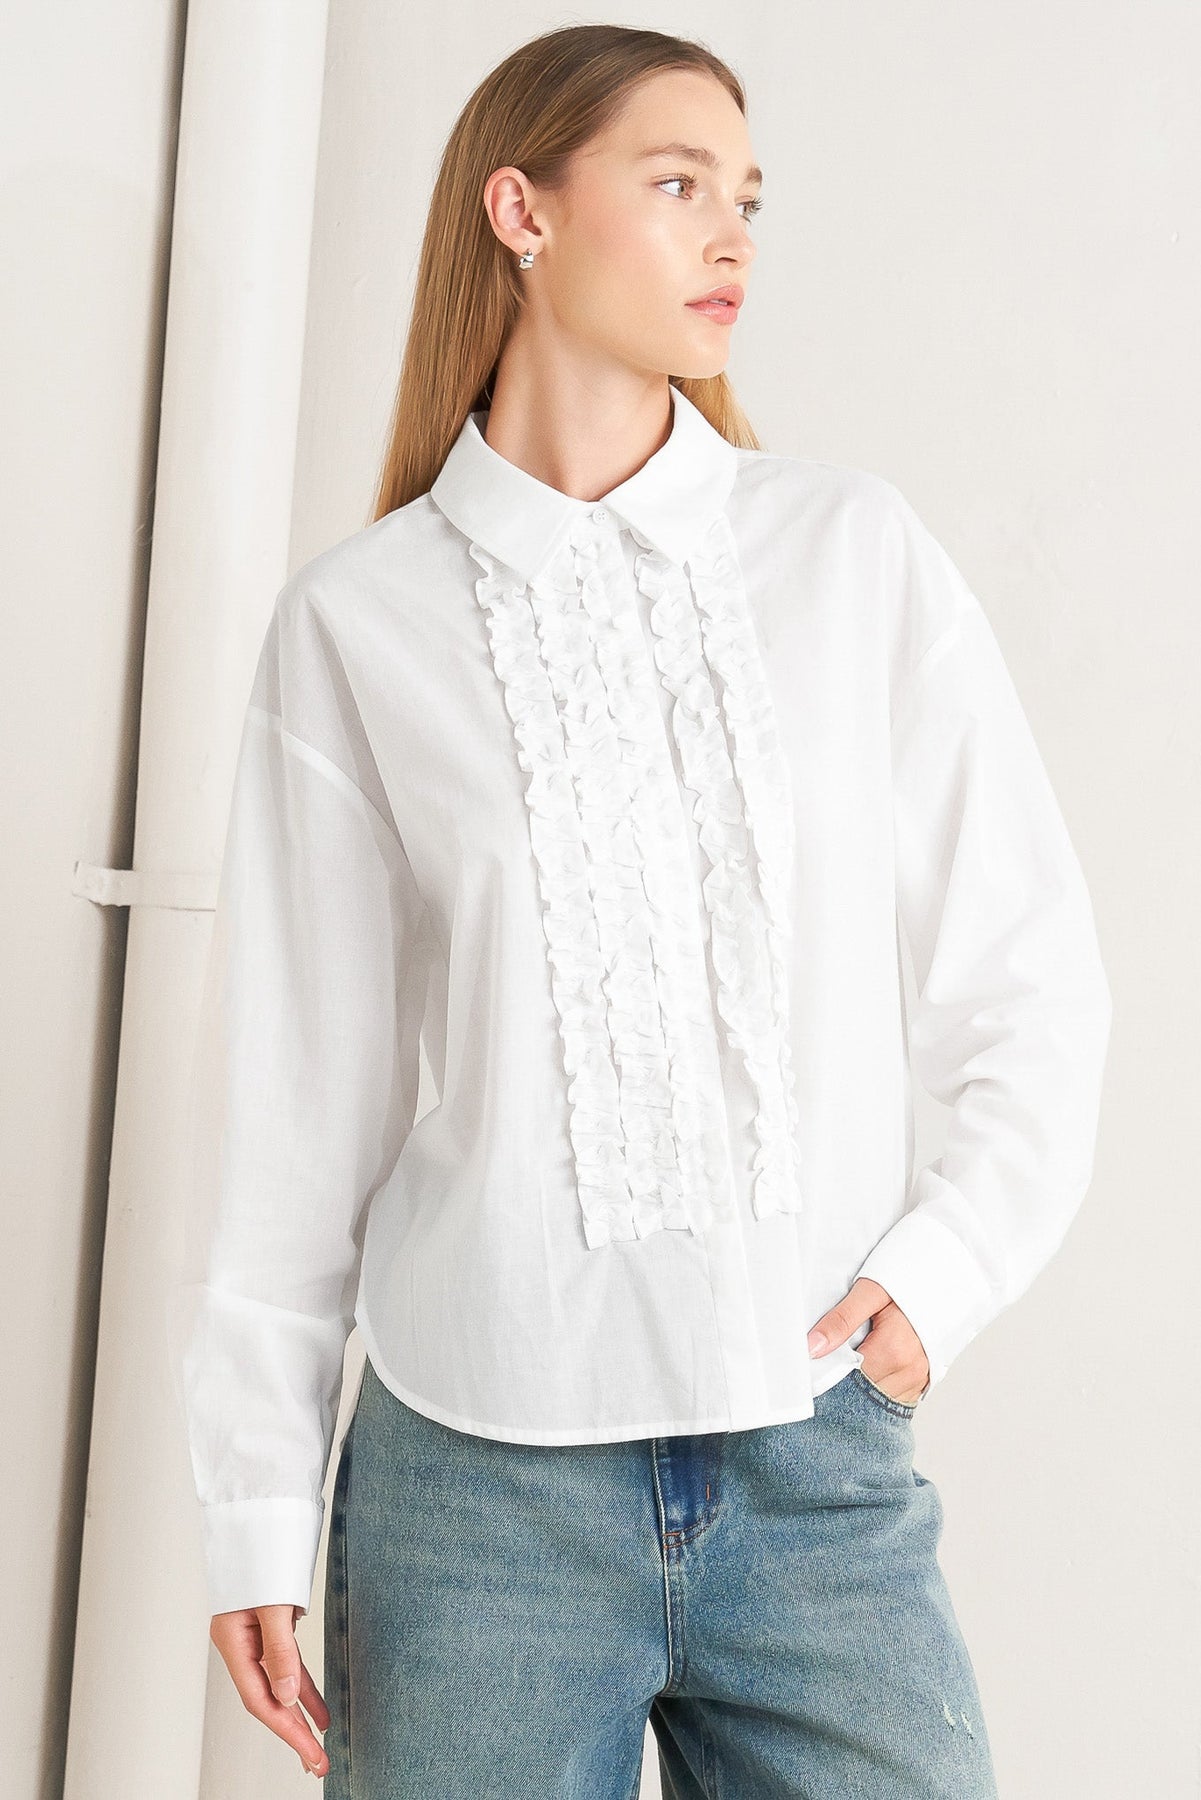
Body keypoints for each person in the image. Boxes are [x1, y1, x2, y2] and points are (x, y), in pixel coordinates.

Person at [169, 22, 1112, 1797]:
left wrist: (945, 1272)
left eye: (746, 198)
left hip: (814, 1463)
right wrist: (253, 1505)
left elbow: (1029, 976)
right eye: (677, 186)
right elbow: (300, 1118)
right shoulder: (360, 623)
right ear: (519, 212)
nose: (730, 236)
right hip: (474, 1498)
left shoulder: (849, 555)